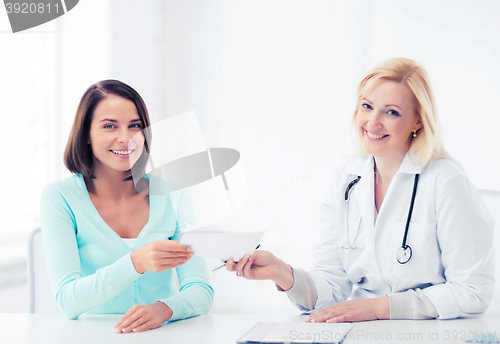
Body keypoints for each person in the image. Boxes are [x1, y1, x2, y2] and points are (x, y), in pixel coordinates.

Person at [226, 57, 495, 322]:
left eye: (392, 112)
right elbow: (331, 287)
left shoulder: (446, 182)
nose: (373, 122)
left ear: (418, 121)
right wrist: (281, 272)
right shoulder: (346, 180)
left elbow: (472, 292)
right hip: (363, 333)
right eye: (367, 106)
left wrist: (381, 308)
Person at [40, 80, 213, 333]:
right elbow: (67, 300)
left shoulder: (174, 194)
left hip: (161, 335)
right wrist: (136, 262)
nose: (125, 138)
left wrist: (164, 309)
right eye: (110, 126)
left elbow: (200, 289)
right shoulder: (60, 197)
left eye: (135, 126)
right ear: (86, 134)